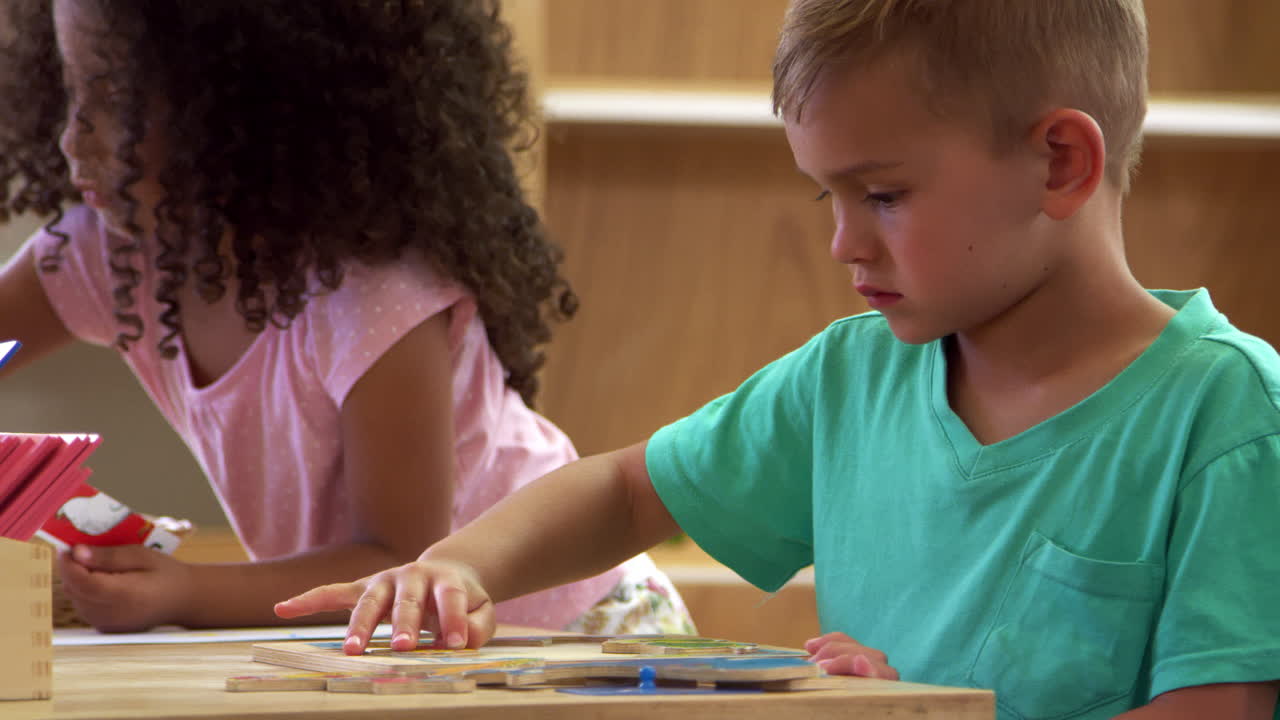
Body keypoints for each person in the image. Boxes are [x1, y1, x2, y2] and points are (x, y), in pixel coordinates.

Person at [276, 0, 1280, 716]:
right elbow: (629, 494)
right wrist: (457, 565)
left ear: (1060, 161)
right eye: (825, 197)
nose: (843, 242)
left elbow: (1218, 708)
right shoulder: (851, 377)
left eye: (880, 194)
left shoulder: (1225, 415)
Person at [0, 0, 694, 638]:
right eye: (71, 90)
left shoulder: (372, 295)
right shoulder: (109, 253)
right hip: (401, 645)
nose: (72, 139)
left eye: (112, 96)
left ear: (247, 104)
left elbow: (399, 559)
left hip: (577, 630)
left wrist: (186, 593)